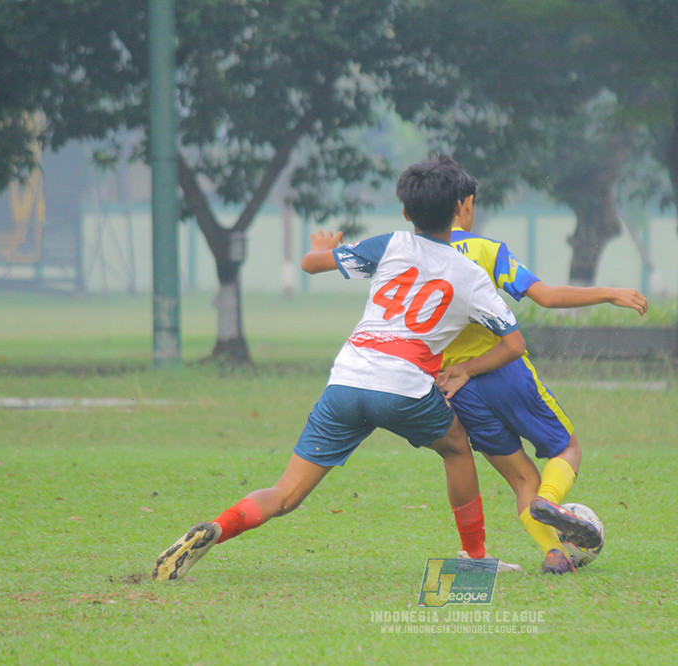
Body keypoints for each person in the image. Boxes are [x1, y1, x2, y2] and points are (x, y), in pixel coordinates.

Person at [153, 155, 527, 581]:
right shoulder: (471, 274)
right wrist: (467, 369)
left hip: (347, 379)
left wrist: (320, 249)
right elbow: (514, 345)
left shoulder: (390, 244)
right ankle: (475, 557)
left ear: (406, 212)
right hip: (403, 386)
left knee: (286, 494)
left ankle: (218, 527)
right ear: (461, 209)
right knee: (457, 447)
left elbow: (313, 264)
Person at [436, 159, 648, 575]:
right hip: (504, 369)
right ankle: (550, 501)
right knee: (566, 448)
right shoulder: (485, 250)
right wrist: (608, 292)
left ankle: (554, 553)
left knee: (520, 479)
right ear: (466, 205)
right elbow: (546, 296)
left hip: (457, 388)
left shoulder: (411, 259)